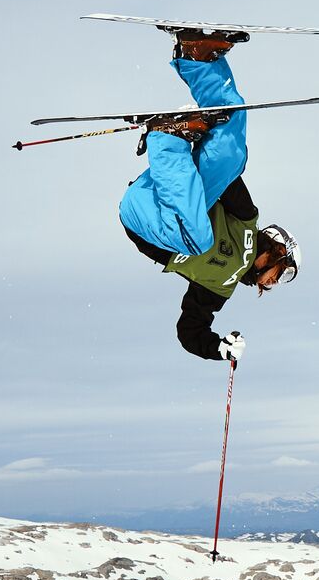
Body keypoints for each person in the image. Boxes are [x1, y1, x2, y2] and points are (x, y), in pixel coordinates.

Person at [119, 29, 301, 362]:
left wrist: (218, 348)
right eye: (284, 273)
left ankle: (166, 138)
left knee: (198, 238)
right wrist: (209, 138)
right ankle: (197, 57)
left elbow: (190, 331)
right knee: (231, 156)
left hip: (145, 219)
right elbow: (224, 174)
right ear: (277, 252)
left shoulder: (221, 288)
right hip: (168, 189)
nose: (276, 283)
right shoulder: (246, 220)